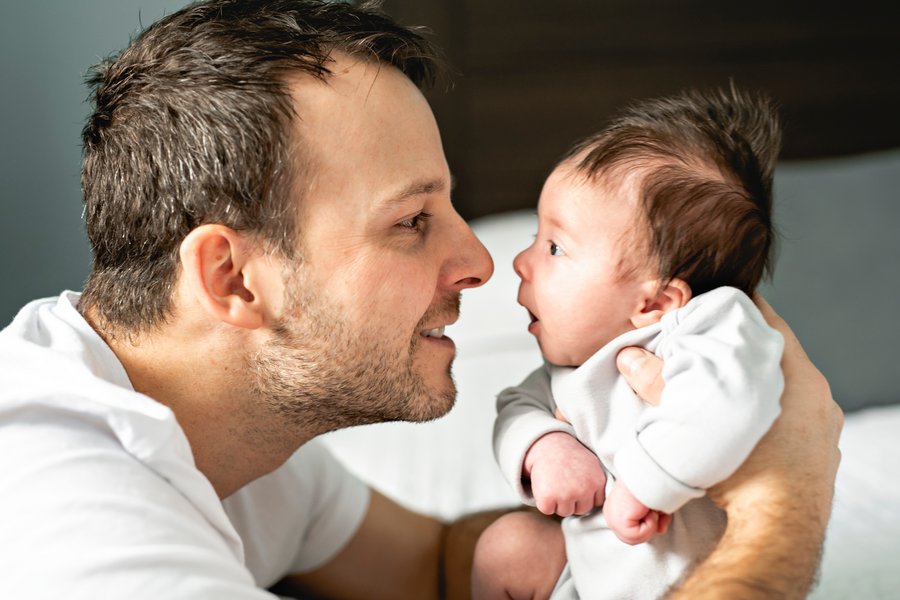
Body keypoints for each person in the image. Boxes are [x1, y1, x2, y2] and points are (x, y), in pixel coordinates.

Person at [0, 2, 841, 599]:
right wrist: (780, 502)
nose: (479, 260)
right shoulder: (74, 532)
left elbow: (434, 568)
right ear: (233, 279)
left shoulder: (217, 429)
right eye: (411, 221)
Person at [472, 88, 815, 600]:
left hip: (706, 584)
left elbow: (734, 403)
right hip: (589, 584)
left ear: (655, 303)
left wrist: (647, 482)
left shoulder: (715, 330)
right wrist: (546, 448)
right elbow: (515, 406)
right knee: (507, 546)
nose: (522, 263)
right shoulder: (572, 368)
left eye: (555, 246)